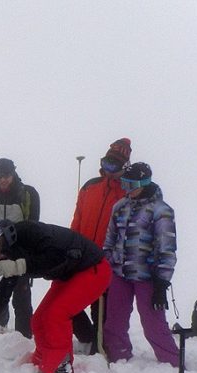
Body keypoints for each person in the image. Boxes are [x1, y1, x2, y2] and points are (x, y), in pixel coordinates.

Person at [0, 217, 111, 373]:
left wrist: (19, 266)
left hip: (92, 268)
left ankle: (61, 367)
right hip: (67, 275)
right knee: (39, 319)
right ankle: (43, 359)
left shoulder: (27, 232)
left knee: (56, 315)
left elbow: (55, 257)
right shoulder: (0, 256)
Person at [101, 162, 179, 367]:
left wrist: (162, 282)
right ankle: (119, 359)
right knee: (114, 321)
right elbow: (109, 240)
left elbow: (167, 249)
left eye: (131, 185)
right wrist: (107, 261)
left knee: (153, 324)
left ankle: (172, 363)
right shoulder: (120, 207)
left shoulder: (161, 211)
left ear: (144, 183)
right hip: (119, 273)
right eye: (124, 184)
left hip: (148, 276)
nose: (126, 190)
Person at [69, 138, 131, 352]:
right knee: (68, 300)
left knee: (100, 309)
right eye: (106, 163)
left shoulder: (127, 194)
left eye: (113, 165)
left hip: (107, 261)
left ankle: (99, 344)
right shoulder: (90, 187)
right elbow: (77, 220)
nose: (108, 169)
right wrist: (70, 247)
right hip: (82, 256)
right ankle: (87, 337)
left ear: (124, 167)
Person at [0, 158, 40, 338]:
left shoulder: (28, 194)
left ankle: (24, 336)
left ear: (13, 173)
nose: (3, 180)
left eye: (6, 175)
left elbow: (34, 226)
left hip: (21, 253)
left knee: (21, 298)